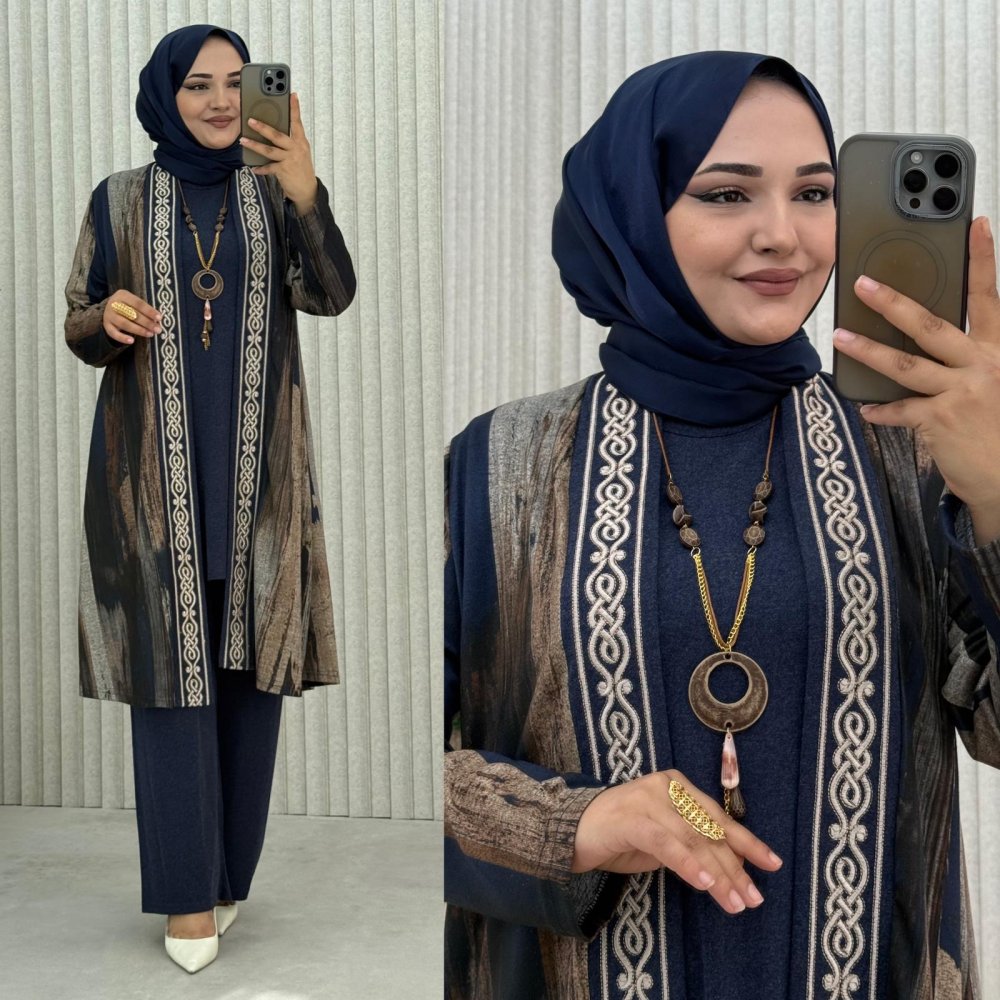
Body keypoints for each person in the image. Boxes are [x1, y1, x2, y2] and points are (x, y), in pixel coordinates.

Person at [444, 50, 1000, 999]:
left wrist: (993, 500)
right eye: (727, 194)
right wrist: (576, 824)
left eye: (815, 193)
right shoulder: (501, 464)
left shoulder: (913, 450)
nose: (784, 235)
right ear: (630, 213)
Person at [64, 24, 355, 973]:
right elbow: (77, 317)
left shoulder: (273, 194)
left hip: (259, 487)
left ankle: (228, 875)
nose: (223, 100)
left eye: (237, 82)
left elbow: (332, 295)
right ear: (166, 94)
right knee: (169, 690)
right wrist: (106, 317)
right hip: (151, 491)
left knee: (248, 688)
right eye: (199, 84)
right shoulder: (118, 199)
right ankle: (187, 897)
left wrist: (306, 190)